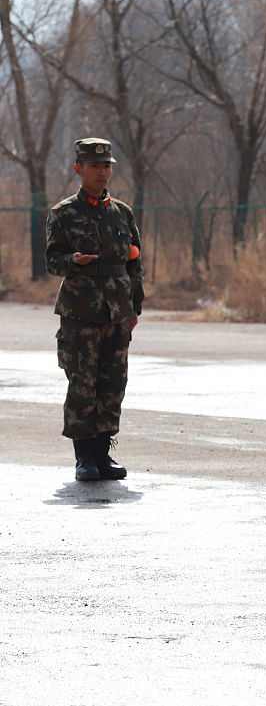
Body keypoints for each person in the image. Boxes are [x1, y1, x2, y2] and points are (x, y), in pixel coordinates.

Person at [45, 138, 144, 481]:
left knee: (113, 383)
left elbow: (134, 262)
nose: (103, 172)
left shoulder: (122, 212)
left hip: (117, 311)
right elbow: (52, 260)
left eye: (107, 166)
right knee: (82, 383)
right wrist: (72, 260)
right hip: (80, 312)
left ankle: (104, 455)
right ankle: (84, 458)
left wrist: (135, 307)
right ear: (79, 169)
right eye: (95, 166)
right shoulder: (64, 213)